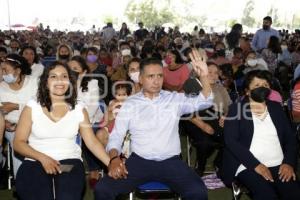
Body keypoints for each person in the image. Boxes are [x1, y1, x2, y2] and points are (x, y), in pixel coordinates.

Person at [94, 49, 213, 200]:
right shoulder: (131, 103)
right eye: (151, 76)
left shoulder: (174, 99)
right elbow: (117, 135)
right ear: (141, 79)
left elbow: (205, 100)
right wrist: (114, 158)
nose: (156, 81)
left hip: (171, 162)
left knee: (198, 192)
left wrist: (203, 75)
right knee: (103, 189)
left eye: (159, 76)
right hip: (139, 162)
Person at [13, 61, 110, 200]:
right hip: (36, 161)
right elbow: (18, 143)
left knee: (67, 196)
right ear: (45, 82)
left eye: (64, 76)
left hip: (68, 162)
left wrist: (110, 163)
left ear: (70, 82)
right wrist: (43, 158)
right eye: (53, 76)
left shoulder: (79, 108)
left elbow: (92, 142)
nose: (59, 80)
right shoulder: (32, 106)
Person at [221, 70, 300, 200]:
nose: (262, 88)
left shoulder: (276, 108)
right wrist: (256, 165)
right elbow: (231, 141)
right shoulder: (237, 109)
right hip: (247, 164)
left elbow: (290, 139)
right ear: (247, 91)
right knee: (266, 195)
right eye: (257, 85)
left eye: (265, 85)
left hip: (279, 163)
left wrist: (289, 163)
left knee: (294, 193)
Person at [0, 54, 38, 178]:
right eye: (1, 70)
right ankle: (21, 178)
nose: (2, 73)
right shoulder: (1, 87)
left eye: (5, 70)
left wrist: (16, 106)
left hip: (34, 123)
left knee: (28, 139)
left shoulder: (33, 82)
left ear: (18, 70)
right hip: (10, 127)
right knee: (17, 140)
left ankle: (28, 178)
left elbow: (41, 106)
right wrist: (4, 123)